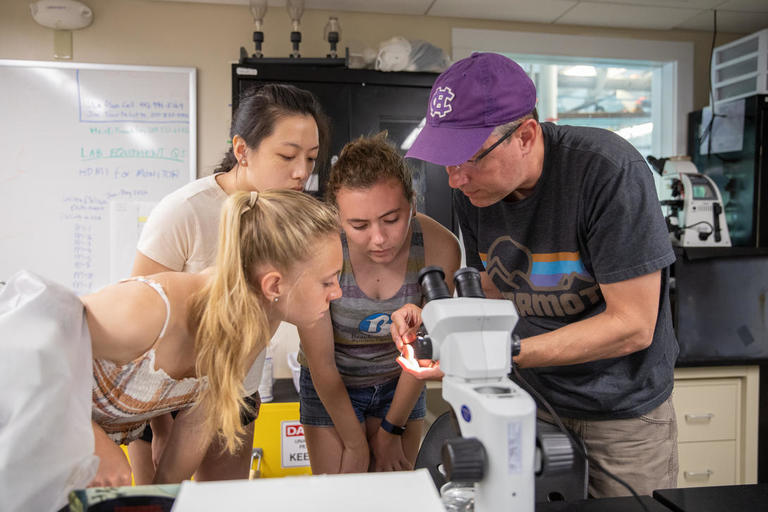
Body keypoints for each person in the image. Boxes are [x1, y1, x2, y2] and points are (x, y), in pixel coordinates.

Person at [391, 52, 679, 498]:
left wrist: (501, 352)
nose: (454, 179)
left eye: (466, 159)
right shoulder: (477, 189)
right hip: (531, 401)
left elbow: (633, 326)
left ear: (525, 135)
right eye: (446, 161)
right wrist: (433, 315)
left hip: (621, 412)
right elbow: (495, 284)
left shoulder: (607, 172)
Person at [0, 190, 342, 511]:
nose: (337, 293)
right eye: (328, 281)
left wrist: (160, 496)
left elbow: (196, 425)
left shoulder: (251, 324)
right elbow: (24, 341)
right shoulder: (150, 309)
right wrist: (91, 439)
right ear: (274, 285)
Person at [128, 83, 329, 483]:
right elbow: (140, 335)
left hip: (234, 393)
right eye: (287, 156)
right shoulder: (184, 212)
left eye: (311, 158)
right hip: (162, 398)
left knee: (223, 501)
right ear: (242, 150)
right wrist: (162, 428)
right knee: (158, 498)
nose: (302, 172)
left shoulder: (293, 218)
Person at [297, 133, 460, 474]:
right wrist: (356, 444)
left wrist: (390, 430)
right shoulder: (318, 250)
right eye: (358, 225)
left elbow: (425, 349)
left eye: (391, 219)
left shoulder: (439, 246)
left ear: (412, 205)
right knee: (341, 494)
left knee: (397, 491)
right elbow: (322, 365)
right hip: (333, 384)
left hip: (399, 383)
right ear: (338, 218)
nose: (379, 238)